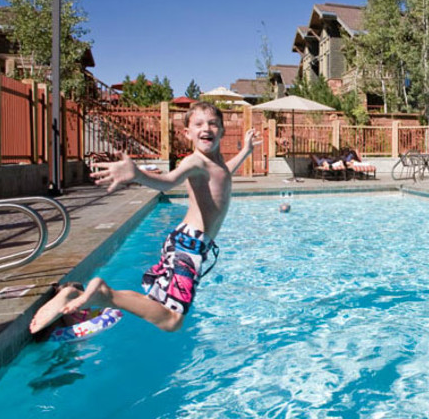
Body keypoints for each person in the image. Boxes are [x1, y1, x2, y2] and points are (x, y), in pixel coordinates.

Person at [30, 101, 261, 334]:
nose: (206, 128)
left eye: (213, 124)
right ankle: (103, 295)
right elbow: (170, 182)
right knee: (172, 321)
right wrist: (138, 175)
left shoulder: (216, 163)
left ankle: (76, 295)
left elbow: (223, 175)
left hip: (189, 243)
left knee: (156, 305)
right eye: (199, 124)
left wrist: (246, 152)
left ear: (222, 130)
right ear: (187, 133)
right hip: (189, 246)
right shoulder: (195, 161)